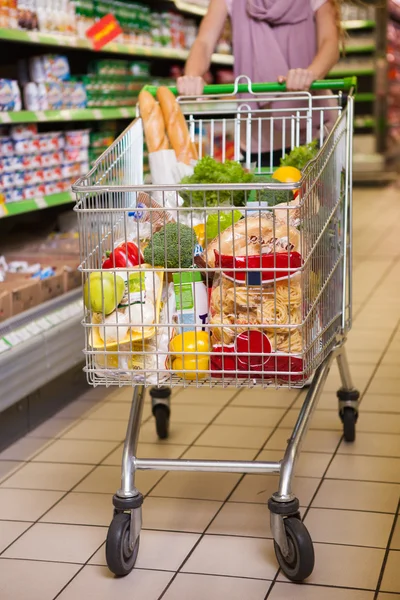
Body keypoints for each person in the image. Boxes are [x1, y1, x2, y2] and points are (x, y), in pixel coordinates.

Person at [177, 0, 342, 167]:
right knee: (265, 191)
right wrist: (192, 75)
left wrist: (310, 74)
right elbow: (204, 41)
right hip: (258, 133)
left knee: (312, 191)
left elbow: (329, 42)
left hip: (311, 127)